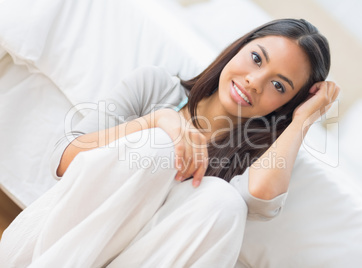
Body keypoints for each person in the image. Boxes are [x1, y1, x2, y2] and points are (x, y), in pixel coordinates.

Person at [0, 18, 339, 267]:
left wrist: (303, 120)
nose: (253, 82)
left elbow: (258, 198)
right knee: (159, 145)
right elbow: (64, 161)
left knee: (226, 202)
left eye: (279, 86)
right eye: (256, 59)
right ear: (239, 48)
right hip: (46, 252)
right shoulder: (156, 86)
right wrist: (157, 122)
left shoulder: (259, 157)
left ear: (287, 103)